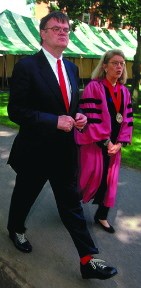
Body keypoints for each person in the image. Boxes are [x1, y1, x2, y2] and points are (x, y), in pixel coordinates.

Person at [7, 11, 117, 280]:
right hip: (35, 151)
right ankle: (15, 229)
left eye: (66, 29)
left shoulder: (71, 68)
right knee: (24, 196)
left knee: (72, 207)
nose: (63, 32)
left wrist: (79, 116)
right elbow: (16, 111)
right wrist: (53, 121)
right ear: (43, 33)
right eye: (56, 28)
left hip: (64, 153)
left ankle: (88, 259)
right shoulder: (26, 66)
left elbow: (70, 105)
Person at [75, 49, 133, 233]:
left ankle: (101, 216)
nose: (119, 66)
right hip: (95, 144)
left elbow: (127, 120)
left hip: (114, 146)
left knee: (110, 183)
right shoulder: (94, 87)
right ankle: (70, 210)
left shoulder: (124, 91)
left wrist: (119, 143)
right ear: (105, 66)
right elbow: (90, 117)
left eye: (122, 63)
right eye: (115, 63)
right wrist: (107, 142)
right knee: (85, 179)